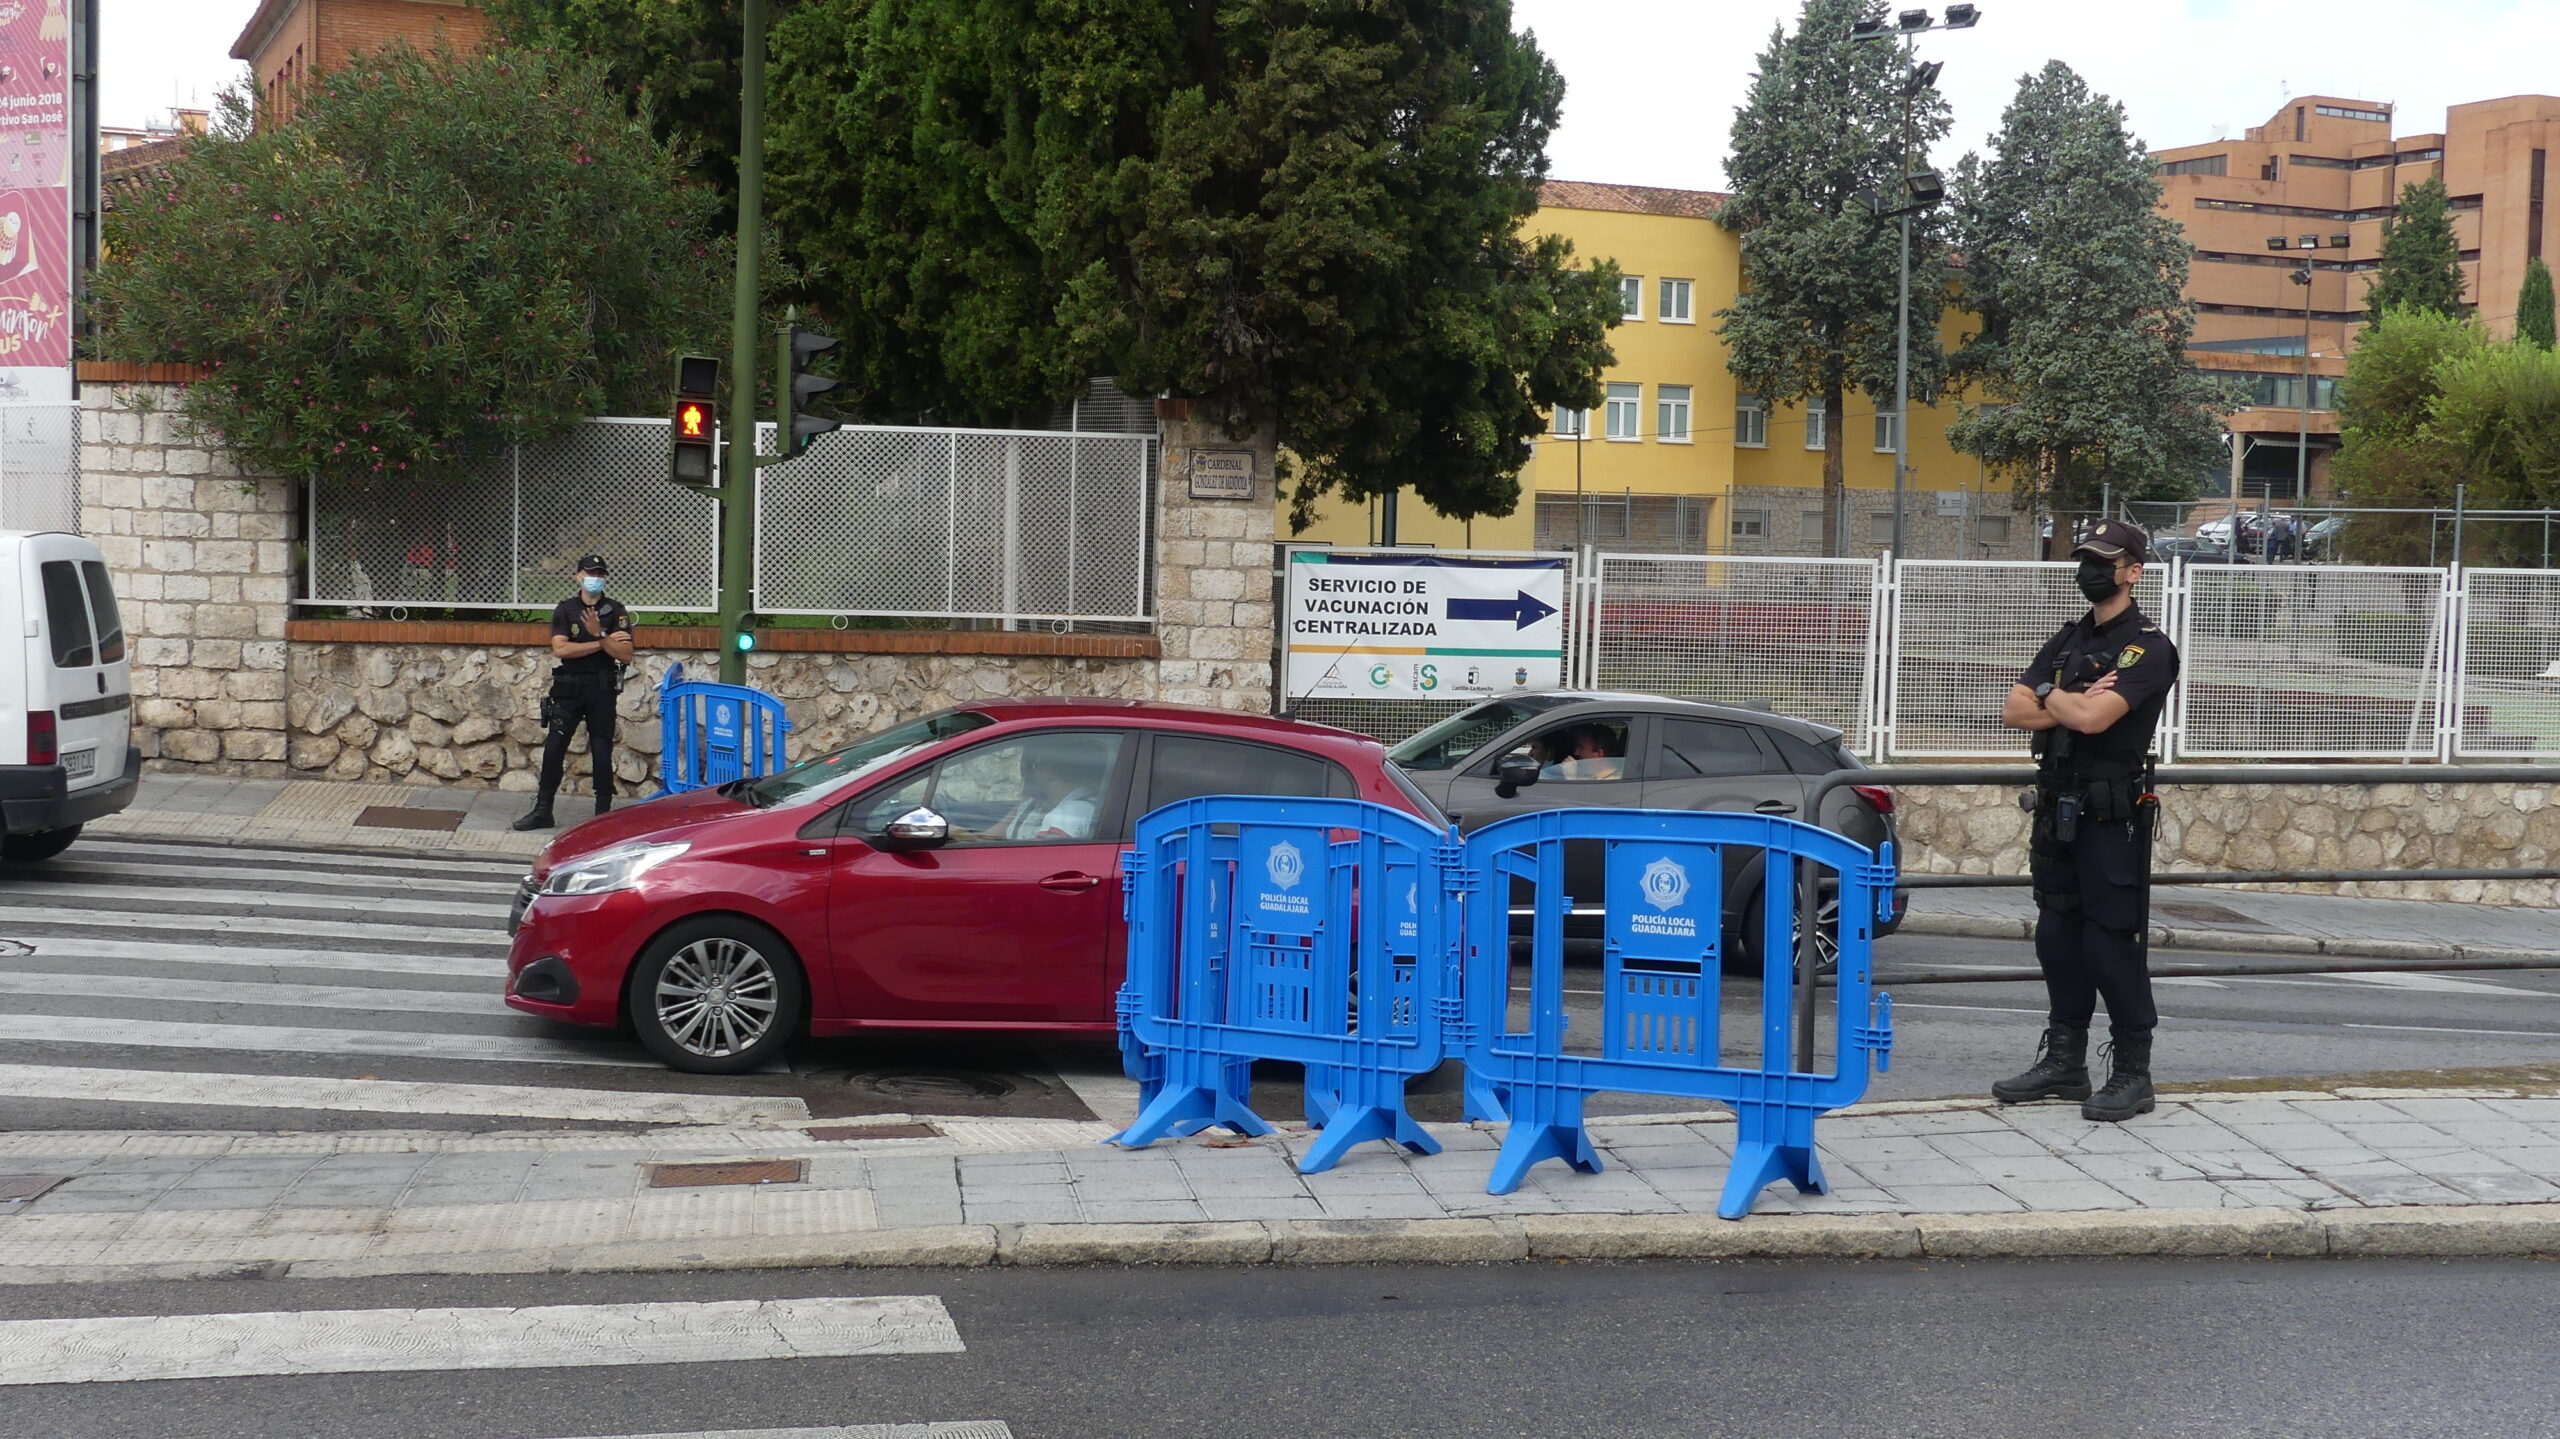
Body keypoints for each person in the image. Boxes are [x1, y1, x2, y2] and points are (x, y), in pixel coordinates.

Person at [1993, 519, 2182, 1122]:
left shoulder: (2148, 647)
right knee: (2056, 938)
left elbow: (2097, 721)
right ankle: (2065, 1062)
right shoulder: (2071, 637)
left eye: (2104, 560)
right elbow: (2012, 708)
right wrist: (2064, 696)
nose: (2090, 570)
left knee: (2109, 945)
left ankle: (2132, 1072)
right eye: (2085, 559)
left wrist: (2052, 694)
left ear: (2134, 571)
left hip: (2110, 815)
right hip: (2057, 807)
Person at [513, 555, 635, 831]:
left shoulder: (616, 611)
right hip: (569, 686)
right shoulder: (566, 609)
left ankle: (602, 814)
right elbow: (561, 649)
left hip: (601, 687)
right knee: (555, 748)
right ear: (578, 576)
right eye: (590, 572)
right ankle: (543, 809)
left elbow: (625, 654)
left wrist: (599, 634)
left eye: (600, 573)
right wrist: (601, 642)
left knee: (602, 749)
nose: (595, 577)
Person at [1000, 747, 1105, 842]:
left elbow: (1046, 857)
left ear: (1047, 772)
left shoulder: (1066, 814)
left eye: (1036, 766)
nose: (1033, 774)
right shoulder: (1093, 802)